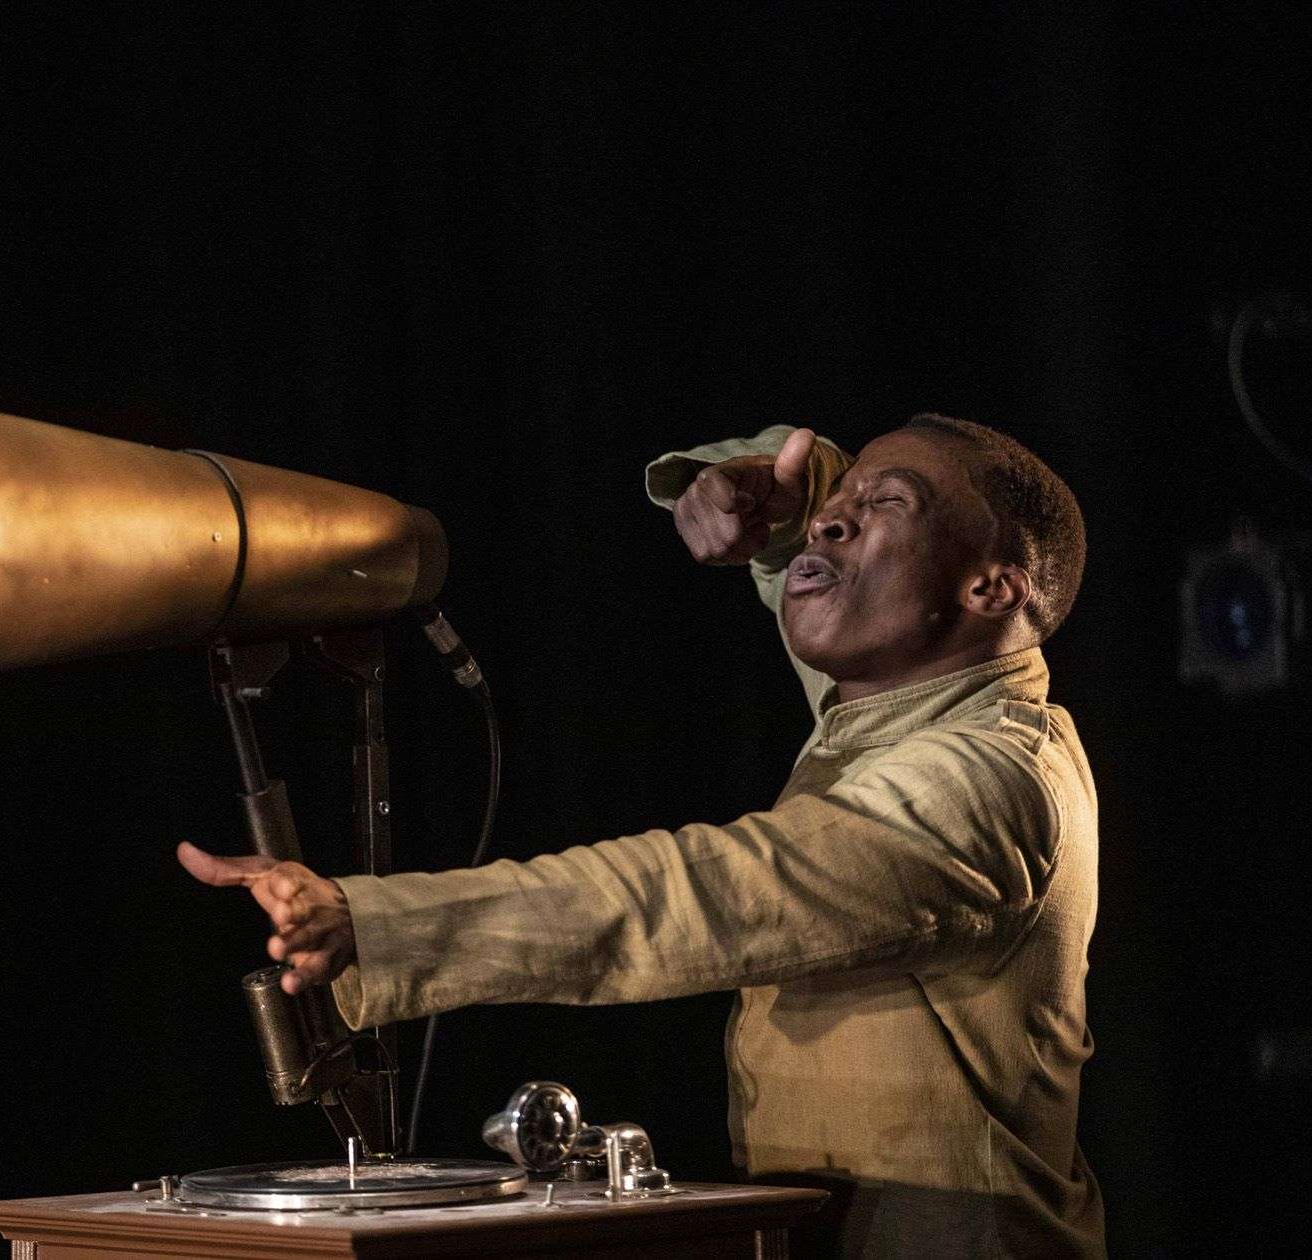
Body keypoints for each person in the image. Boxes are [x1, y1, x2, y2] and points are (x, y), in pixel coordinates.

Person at [179, 416, 1103, 1257]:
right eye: (840, 501)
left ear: (990, 588)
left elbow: (702, 893)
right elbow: (814, 510)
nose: (832, 522)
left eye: (886, 505)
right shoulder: (900, 702)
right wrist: (777, 506)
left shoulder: (987, 780)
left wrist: (377, 923)